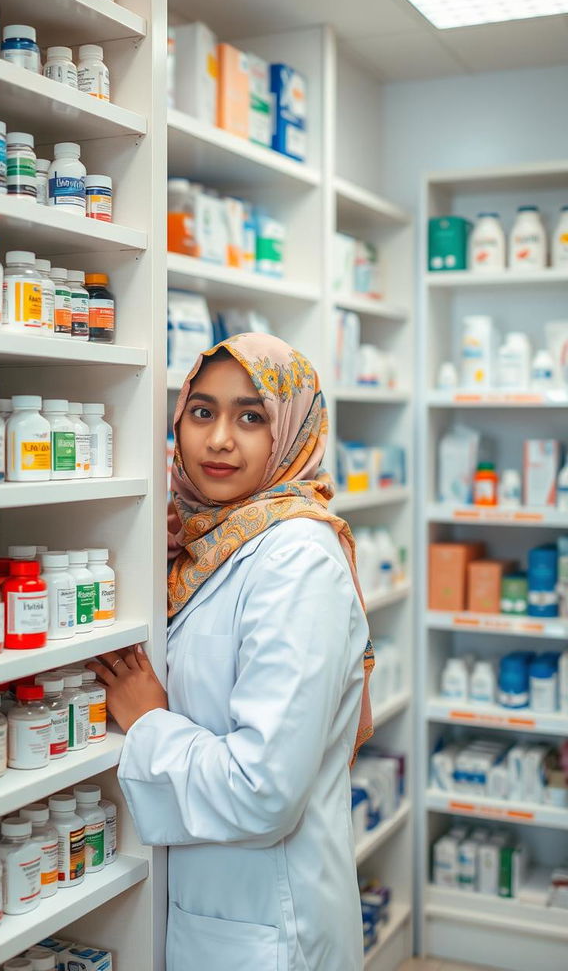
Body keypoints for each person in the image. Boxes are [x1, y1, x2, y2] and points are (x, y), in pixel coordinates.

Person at [89, 332, 373, 971]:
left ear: (293, 432)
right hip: (212, 906)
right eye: (202, 411)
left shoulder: (296, 558)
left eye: (251, 417)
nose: (219, 439)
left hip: (272, 924)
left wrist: (147, 719)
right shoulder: (202, 543)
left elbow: (263, 790)